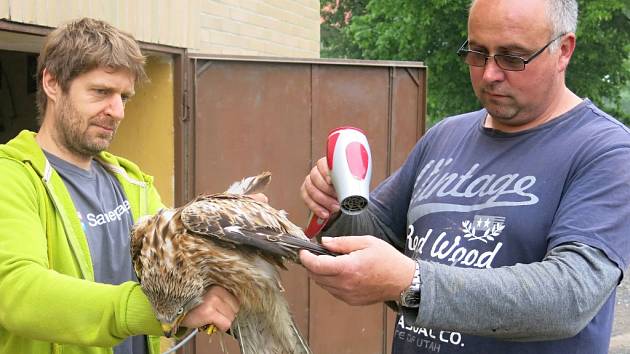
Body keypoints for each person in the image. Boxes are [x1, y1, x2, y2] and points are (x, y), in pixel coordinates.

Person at [299, 0, 630, 353]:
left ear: (563, 50)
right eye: (477, 52)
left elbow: (571, 297)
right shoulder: (445, 136)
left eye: (512, 57)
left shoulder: (606, 151)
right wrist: (338, 206)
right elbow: (374, 235)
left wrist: (414, 284)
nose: (489, 74)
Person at [0, 18, 240, 354]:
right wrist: (154, 310)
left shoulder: (133, 183)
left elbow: (180, 267)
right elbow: (17, 293)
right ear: (52, 83)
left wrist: (231, 234)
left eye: (124, 96)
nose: (117, 111)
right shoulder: (11, 177)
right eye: (101, 92)